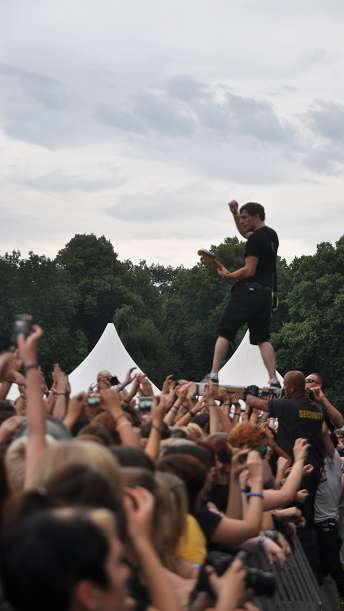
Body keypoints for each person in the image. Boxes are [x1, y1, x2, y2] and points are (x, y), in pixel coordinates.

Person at [203, 200, 280, 390]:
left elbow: (249, 270)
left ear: (256, 216)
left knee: (225, 332)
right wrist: (235, 213)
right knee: (263, 338)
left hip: (249, 292)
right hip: (265, 294)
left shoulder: (255, 240)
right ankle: (273, 379)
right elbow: (245, 233)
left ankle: (213, 375)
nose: (242, 221)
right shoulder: (272, 236)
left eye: (245, 218)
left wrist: (229, 276)